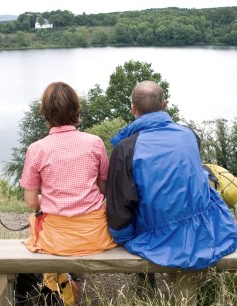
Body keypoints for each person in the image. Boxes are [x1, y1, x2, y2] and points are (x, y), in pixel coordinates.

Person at [106, 80, 237, 270]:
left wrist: (122, 237)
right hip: (206, 230)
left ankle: (144, 286)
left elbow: (120, 207)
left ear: (133, 109)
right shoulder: (189, 135)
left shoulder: (126, 148)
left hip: (157, 238)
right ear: (164, 104)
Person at [17, 81, 117, 305]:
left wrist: (55, 200)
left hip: (56, 241)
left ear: (44, 112)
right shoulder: (94, 143)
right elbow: (102, 191)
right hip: (95, 237)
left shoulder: (37, 149)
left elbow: (31, 202)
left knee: (35, 221)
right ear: (76, 109)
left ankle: (53, 287)